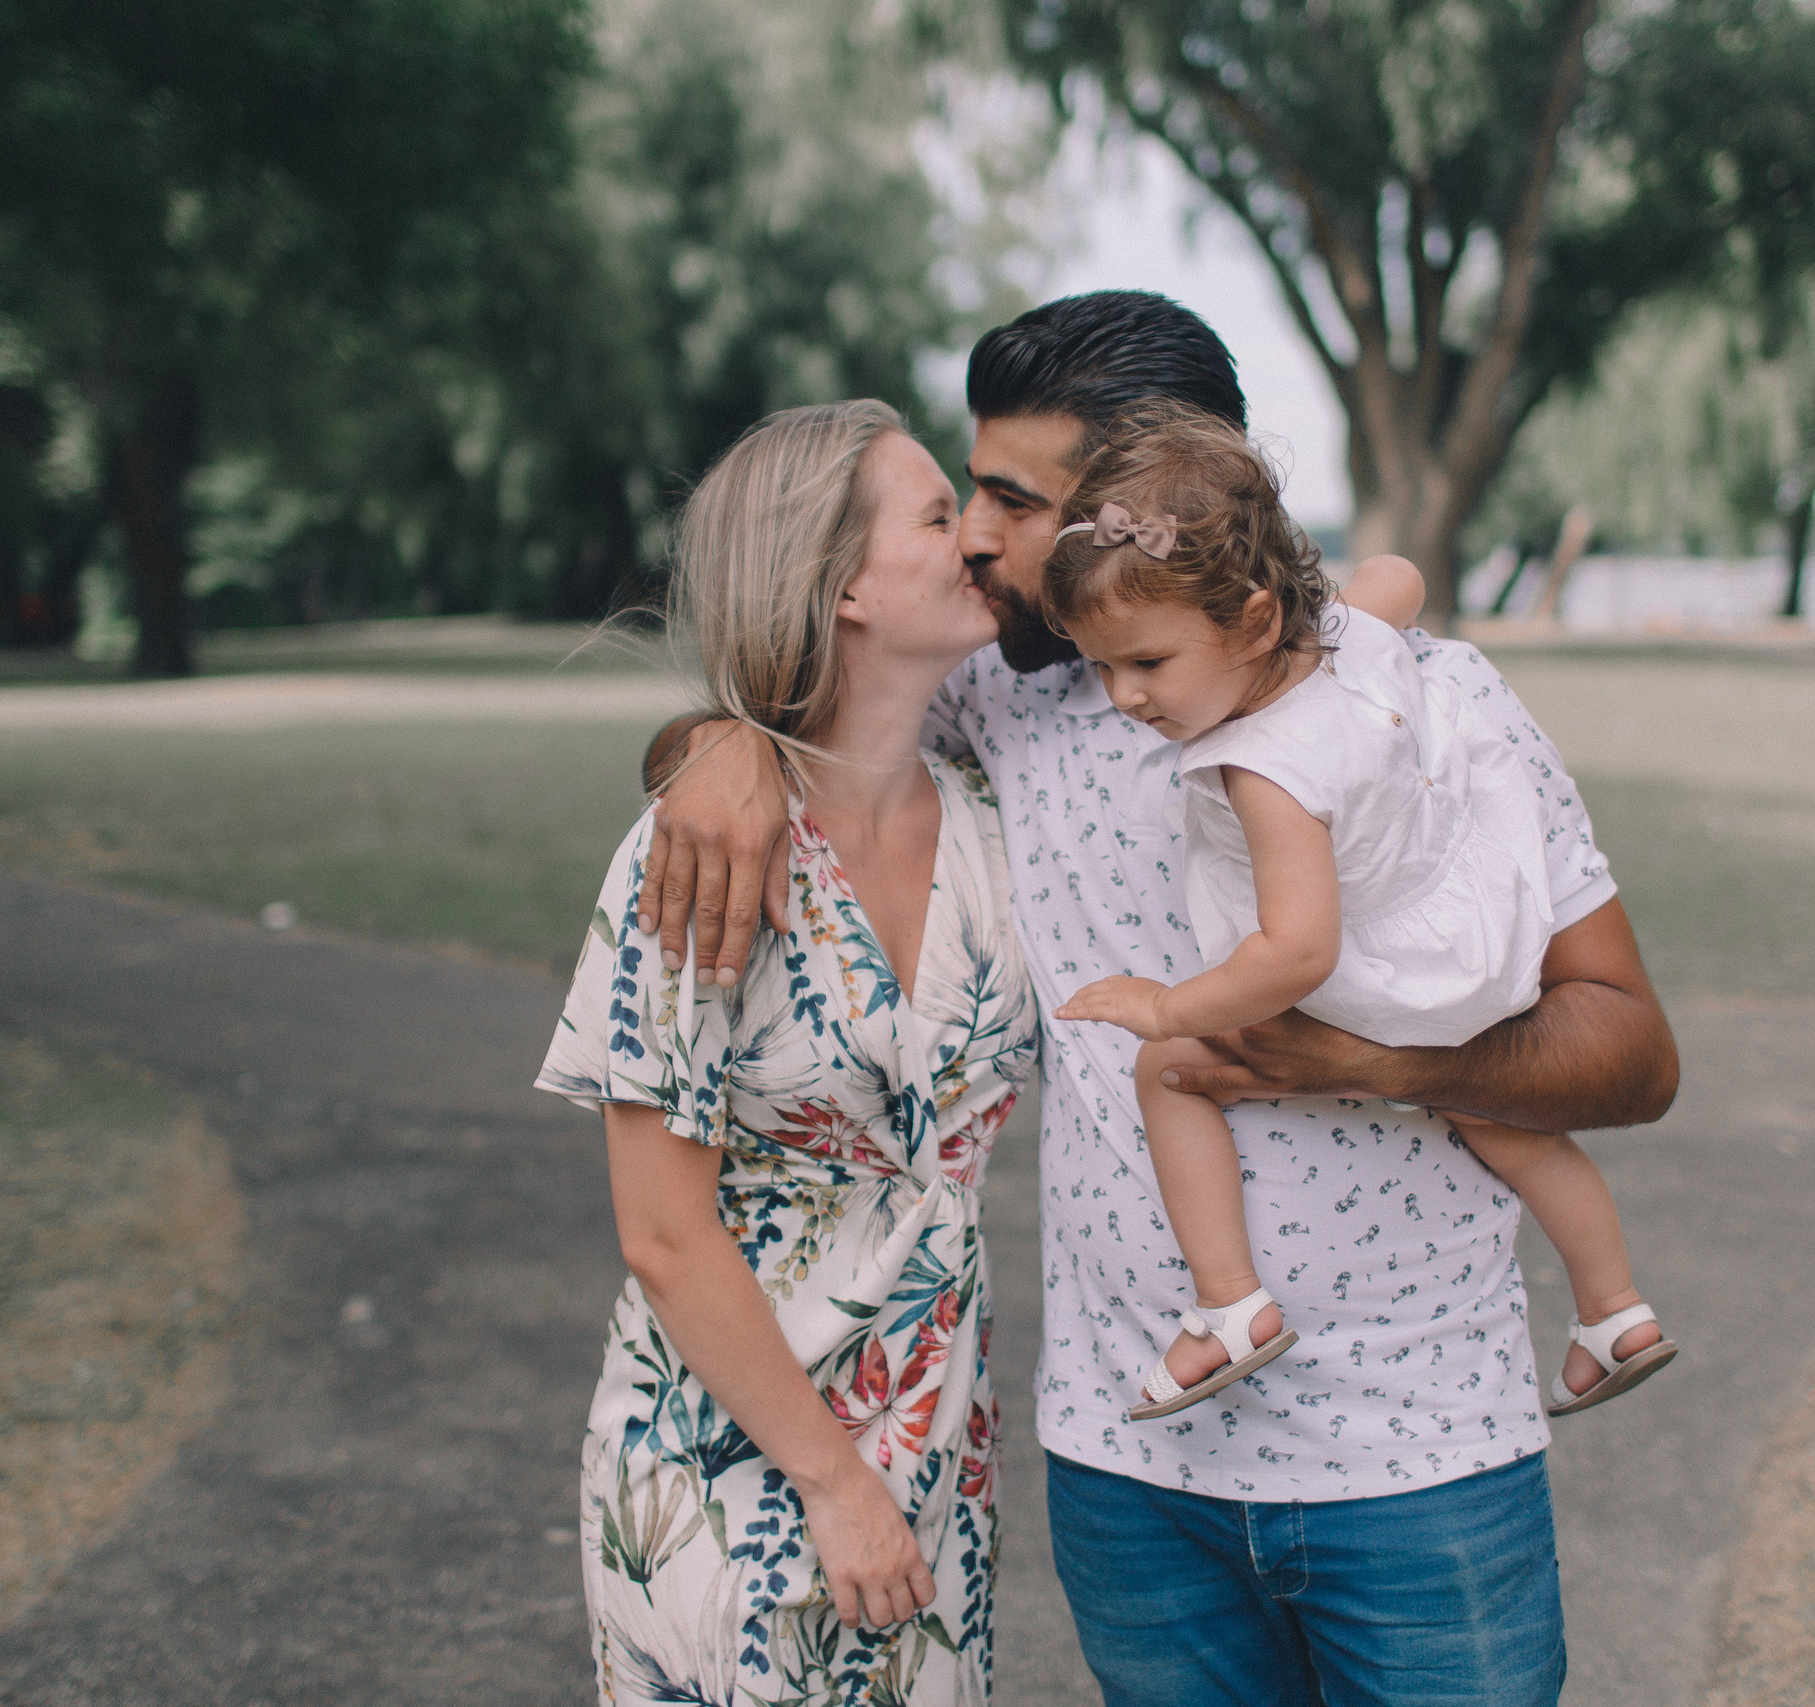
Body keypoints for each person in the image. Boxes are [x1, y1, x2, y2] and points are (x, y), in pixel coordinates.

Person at [640, 292, 1679, 1706]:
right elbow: (805, 711)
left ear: (1152, 497)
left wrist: (1354, 1055)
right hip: (1132, 1470)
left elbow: (1631, 1049)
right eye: (970, 490)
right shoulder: (999, 705)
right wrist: (714, 746)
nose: (981, 538)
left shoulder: (1424, 702)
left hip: (1421, 1457)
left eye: (1016, 498)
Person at [535, 400, 1039, 1704]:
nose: (980, 537)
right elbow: (662, 1229)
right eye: (939, 515)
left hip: (937, 1469)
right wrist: (831, 1479)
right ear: (844, 585)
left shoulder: (996, 824)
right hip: (730, 1476)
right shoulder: (696, 854)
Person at [1041, 403, 1677, 1423]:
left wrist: (1170, 1007)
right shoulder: (1354, 638)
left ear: (1251, 622)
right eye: (1100, 666)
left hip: (1380, 974)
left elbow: (1296, 950)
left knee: (1167, 1075)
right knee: (1490, 1111)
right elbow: (1398, 576)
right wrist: (1311, 604)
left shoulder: (1265, 768)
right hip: (1474, 938)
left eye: (1148, 664)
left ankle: (1229, 1305)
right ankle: (1614, 1309)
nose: (1123, 698)